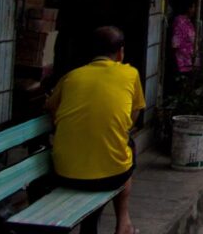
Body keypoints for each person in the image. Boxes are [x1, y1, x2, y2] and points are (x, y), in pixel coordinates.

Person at [46, 26, 145, 234]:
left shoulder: (71, 77)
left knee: (119, 149)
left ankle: (123, 224)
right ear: (120, 53)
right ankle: (123, 223)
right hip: (111, 176)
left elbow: (51, 109)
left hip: (64, 172)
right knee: (127, 148)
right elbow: (135, 113)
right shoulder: (130, 73)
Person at [170, 0, 199, 75]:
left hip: (190, 62)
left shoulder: (189, 22)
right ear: (188, 8)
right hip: (183, 63)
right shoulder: (180, 22)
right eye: (193, 7)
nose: (194, 10)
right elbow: (175, 44)